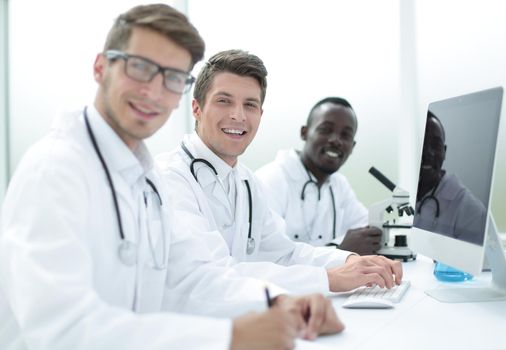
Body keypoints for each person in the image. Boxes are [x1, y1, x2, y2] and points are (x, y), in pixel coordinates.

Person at [0, 5, 343, 350]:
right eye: (140, 68)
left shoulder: (144, 180)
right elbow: (63, 329)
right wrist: (227, 338)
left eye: (173, 78)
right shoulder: (56, 171)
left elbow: (192, 276)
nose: (154, 91)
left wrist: (281, 301)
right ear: (100, 67)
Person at [156, 50, 402, 297]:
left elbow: (285, 254)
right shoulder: (170, 179)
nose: (238, 115)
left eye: (250, 105)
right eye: (224, 101)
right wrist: (329, 278)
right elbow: (212, 274)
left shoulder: (245, 181)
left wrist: (349, 261)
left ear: (260, 115)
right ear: (196, 109)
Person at [256, 97, 382, 255]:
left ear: (353, 146)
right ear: (304, 132)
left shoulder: (338, 185)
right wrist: (339, 250)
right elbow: (268, 256)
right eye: (326, 130)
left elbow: (367, 227)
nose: (336, 140)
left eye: (345, 135)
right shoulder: (270, 180)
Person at [413, 111, 487, 245]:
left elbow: (469, 262)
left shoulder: (470, 209)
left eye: (435, 145)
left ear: (444, 152)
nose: (428, 153)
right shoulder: (409, 192)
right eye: (422, 144)